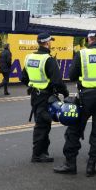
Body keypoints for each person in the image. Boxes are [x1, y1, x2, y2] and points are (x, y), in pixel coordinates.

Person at [55, 31, 96, 176]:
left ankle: (70, 164)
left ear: (89, 39)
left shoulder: (82, 54)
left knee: (74, 130)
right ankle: (91, 166)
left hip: (85, 97)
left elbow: (71, 76)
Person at [21, 33, 69, 164]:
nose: (51, 43)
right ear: (47, 43)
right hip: (45, 96)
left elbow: (23, 77)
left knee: (42, 123)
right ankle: (37, 154)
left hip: (35, 96)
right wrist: (65, 93)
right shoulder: (49, 59)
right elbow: (57, 81)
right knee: (42, 125)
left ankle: (43, 152)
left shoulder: (29, 57)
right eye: (50, 42)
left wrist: (34, 86)